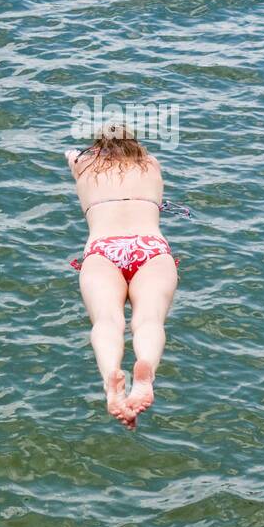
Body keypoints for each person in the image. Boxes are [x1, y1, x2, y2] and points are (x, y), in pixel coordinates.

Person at [66, 125, 178, 429]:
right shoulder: (151, 165)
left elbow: (71, 156)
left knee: (107, 320)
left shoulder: (84, 166)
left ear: (98, 147)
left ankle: (110, 380)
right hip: (150, 248)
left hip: (104, 249)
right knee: (149, 320)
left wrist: (82, 155)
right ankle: (146, 376)